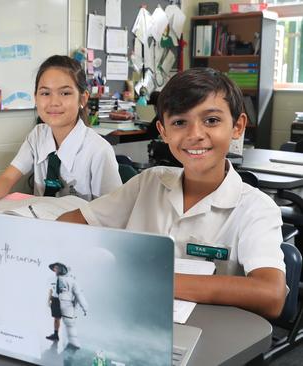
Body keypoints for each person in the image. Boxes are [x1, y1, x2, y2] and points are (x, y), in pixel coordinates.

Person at [58, 68, 287, 319]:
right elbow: (68, 224)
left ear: (238, 126)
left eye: (211, 120)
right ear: (163, 131)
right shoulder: (148, 182)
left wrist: (155, 281)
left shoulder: (256, 208)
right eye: (179, 122)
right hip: (130, 316)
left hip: (209, 335)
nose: (195, 134)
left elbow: (271, 295)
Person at [0, 55, 121, 208]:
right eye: (45, 93)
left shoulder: (98, 151)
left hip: (83, 230)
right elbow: (8, 178)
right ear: (36, 97)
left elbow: (113, 212)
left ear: (83, 98)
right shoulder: (37, 135)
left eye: (65, 93)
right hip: (42, 225)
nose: (54, 102)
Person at [45, 262, 88, 351]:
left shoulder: (71, 280)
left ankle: (73, 342)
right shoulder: (51, 279)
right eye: (55, 268)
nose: (56, 269)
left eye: (58, 268)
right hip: (55, 300)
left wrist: (84, 307)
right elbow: (50, 290)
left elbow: (78, 294)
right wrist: (48, 300)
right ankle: (56, 335)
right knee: (56, 319)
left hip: (66, 302)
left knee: (68, 322)